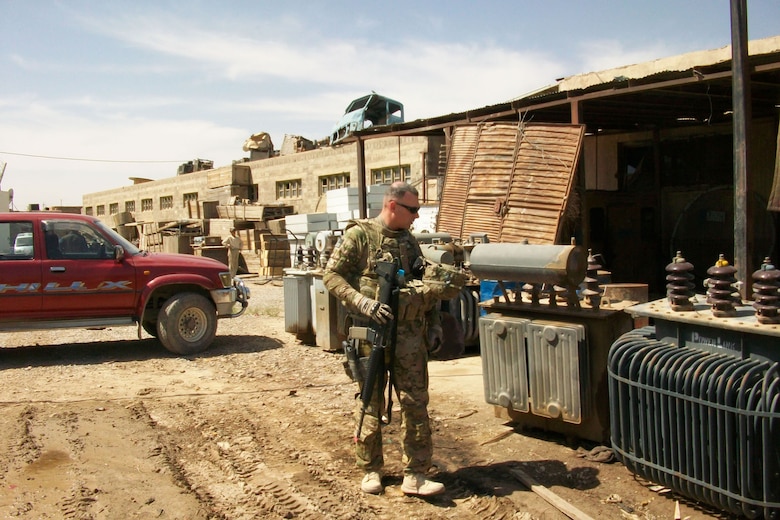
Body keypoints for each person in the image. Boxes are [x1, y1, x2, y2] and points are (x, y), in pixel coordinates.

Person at [323, 181, 463, 497]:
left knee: (415, 403)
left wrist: (434, 325)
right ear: (392, 206)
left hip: (409, 338)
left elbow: (424, 286)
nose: (416, 216)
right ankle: (371, 469)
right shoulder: (359, 236)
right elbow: (331, 276)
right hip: (370, 333)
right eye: (412, 209)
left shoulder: (409, 242)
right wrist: (363, 302)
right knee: (370, 400)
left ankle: (416, 474)